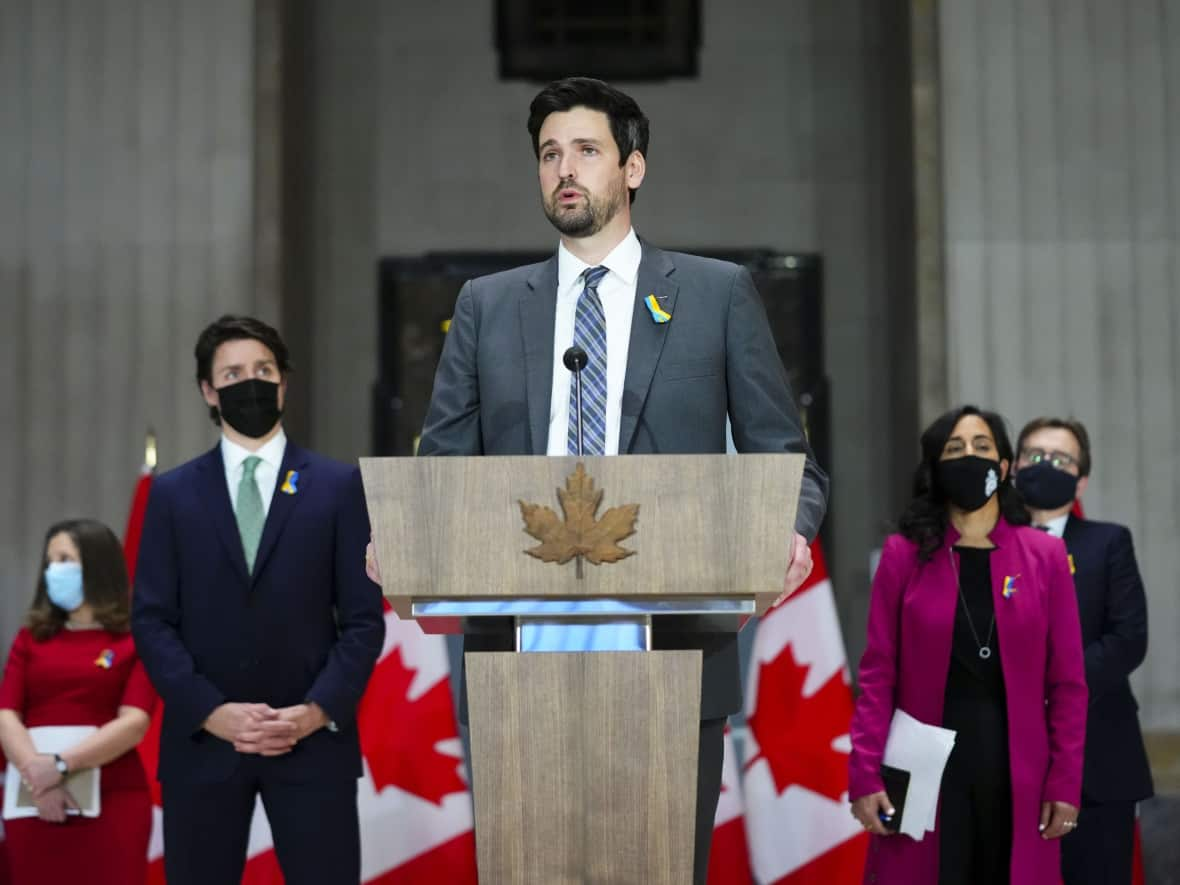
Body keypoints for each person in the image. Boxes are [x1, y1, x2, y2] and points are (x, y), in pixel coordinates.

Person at [366, 76, 828, 884]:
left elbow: (785, 456)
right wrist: (410, 536)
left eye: (585, 150)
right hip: (518, 642)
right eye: (549, 154)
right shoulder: (487, 305)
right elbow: (440, 464)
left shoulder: (716, 296)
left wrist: (789, 528)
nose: (564, 169)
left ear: (633, 167)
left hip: (673, 637)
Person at [131, 315, 385, 885]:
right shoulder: (171, 494)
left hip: (312, 741)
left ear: (284, 382)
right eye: (234, 373)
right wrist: (212, 711)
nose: (252, 383)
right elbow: (151, 621)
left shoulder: (338, 485)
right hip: (204, 741)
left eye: (263, 370)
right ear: (208, 390)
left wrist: (316, 711)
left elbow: (364, 622)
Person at [848, 405, 1088, 885]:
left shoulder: (1044, 555)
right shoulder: (903, 555)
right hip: (922, 766)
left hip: (1017, 765)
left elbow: (1067, 682)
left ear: (1003, 467)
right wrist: (864, 772)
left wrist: (1065, 779)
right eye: (954, 450)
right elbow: (878, 674)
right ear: (935, 469)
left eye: (982, 448)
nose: (969, 458)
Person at [1014, 417, 1153, 885]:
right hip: (1006, 762)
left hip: (1099, 760)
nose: (1045, 466)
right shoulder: (986, 547)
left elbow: (1128, 638)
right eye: (1034, 456)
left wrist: (1053, 685)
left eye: (1061, 459)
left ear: (1082, 478)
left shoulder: (1108, 542)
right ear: (1013, 468)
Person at [0, 519, 157, 885]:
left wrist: (60, 766)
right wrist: (38, 774)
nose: (54, 569)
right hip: (32, 797)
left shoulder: (136, 641)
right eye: (50, 560)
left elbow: (134, 722)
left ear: (98, 567)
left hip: (114, 799)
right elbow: (6, 714)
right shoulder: (30, 638)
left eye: (65, 559)